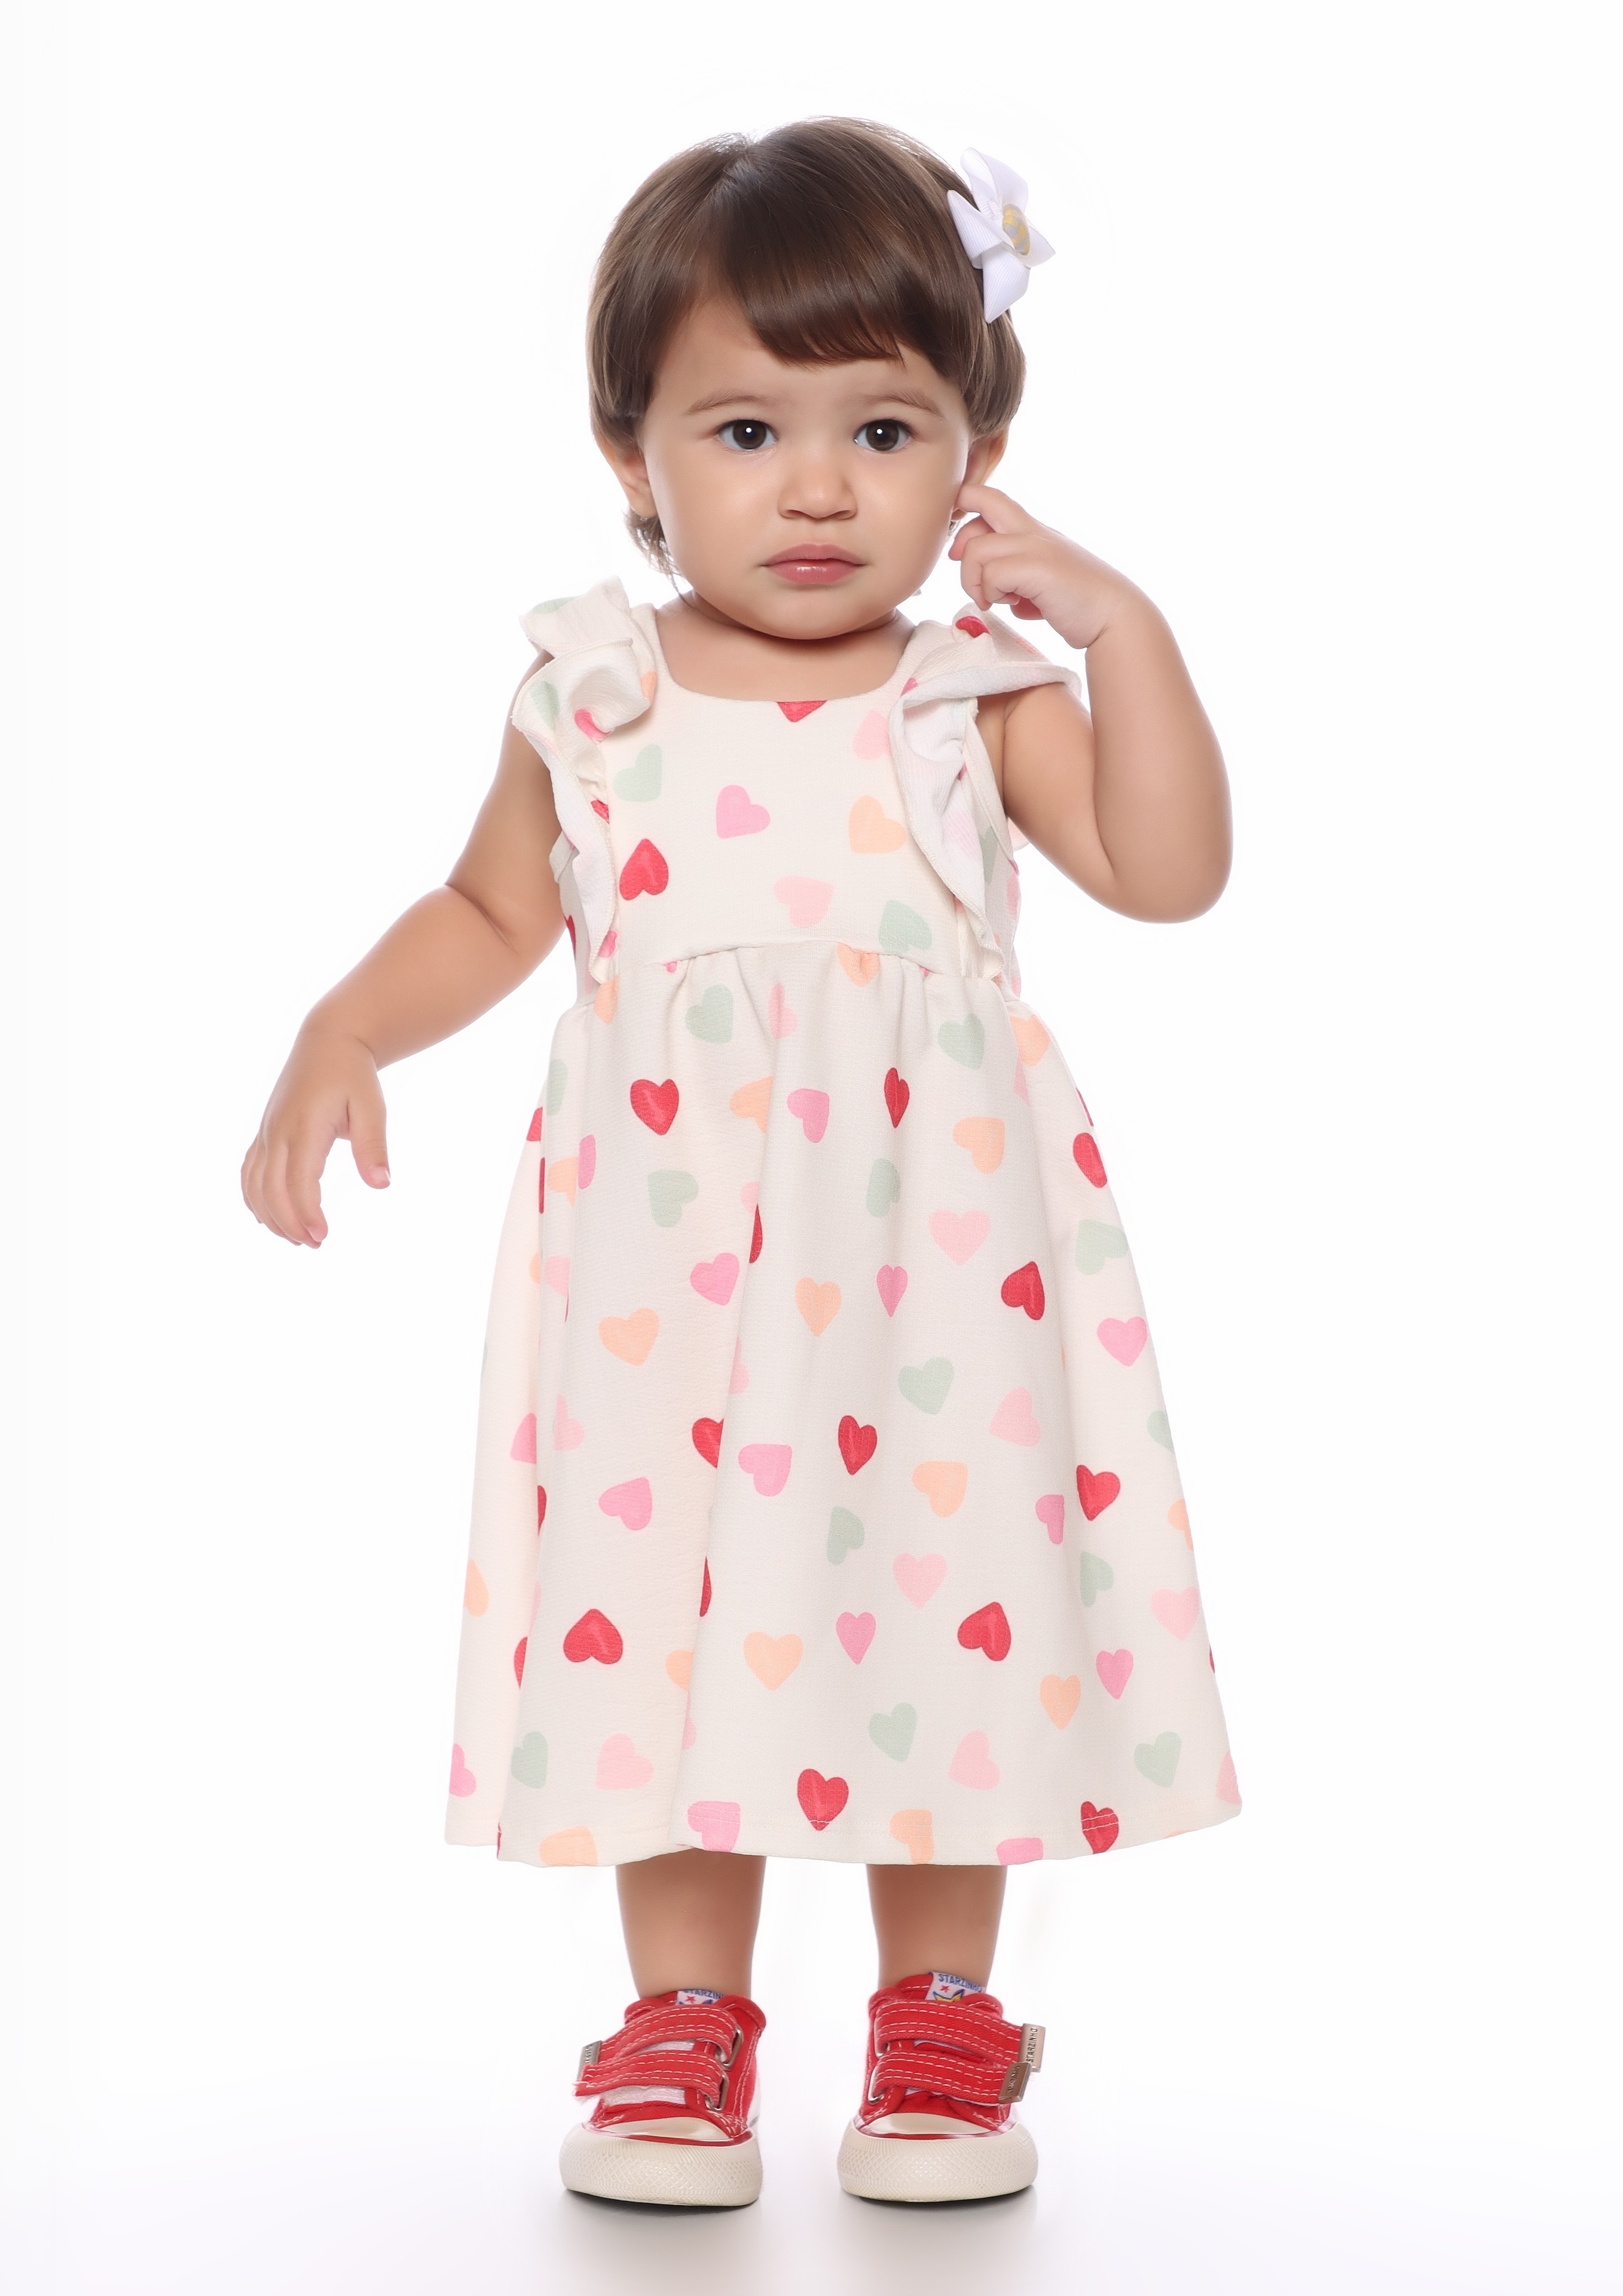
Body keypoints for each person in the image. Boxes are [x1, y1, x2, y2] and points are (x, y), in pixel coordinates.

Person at [242, 118, 1242, 2210]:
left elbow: (1165, 872)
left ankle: (940, 2022)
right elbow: (491, 911)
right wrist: (343, 1029)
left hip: (935, 1267)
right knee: (665, 1616)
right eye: (743, 429)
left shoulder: (970, 697)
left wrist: (1123, 631)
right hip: (665, 1273)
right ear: (630, 451)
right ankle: (681, 2027)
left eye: (880, 430)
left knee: (940, 1608)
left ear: (972, 456)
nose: (814, 487)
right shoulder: (592, 696)